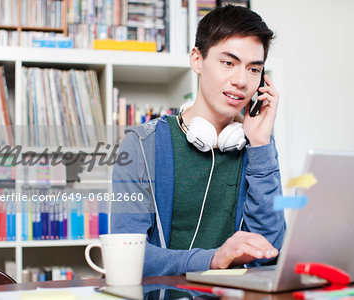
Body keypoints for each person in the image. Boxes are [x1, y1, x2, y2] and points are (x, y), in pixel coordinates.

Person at [111, 5, 286, 276]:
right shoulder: (142, 146)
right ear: (196, 60)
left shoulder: (255, 146)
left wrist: (261, 144)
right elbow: (127, 254)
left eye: (253, 70)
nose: (241, 81)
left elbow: (270, 250)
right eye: (229, 63)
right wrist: (212, 259)